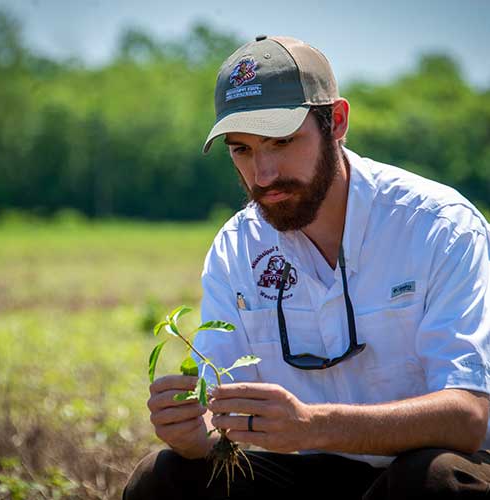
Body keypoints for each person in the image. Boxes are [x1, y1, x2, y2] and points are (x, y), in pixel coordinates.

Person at [124, 35, 490, 499]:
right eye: (242, 150)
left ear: (336, 121)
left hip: (436, 466)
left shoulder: (439, 226)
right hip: (313, 471)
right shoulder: (237, 247)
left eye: (281, 142)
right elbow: (225, 425)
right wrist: (195, 437)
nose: (263, 175)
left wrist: (311, 426)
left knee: (438, 483)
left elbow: (466, 416)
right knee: (163, 478)